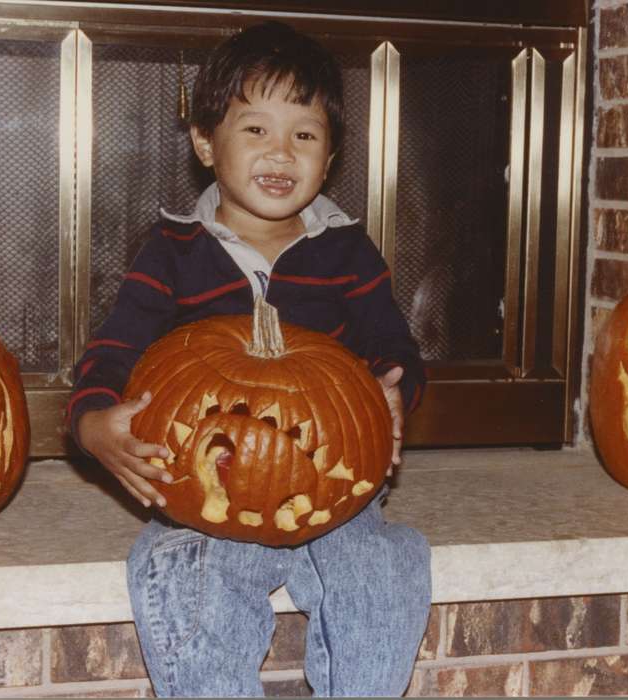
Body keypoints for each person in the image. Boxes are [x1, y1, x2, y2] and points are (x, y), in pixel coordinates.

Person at [68, 21, 430, 697]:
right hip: (208, 486)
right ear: (207, 143)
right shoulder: (172, 251)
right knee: (188, 573)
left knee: (378, 572)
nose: (280, 151)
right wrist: (92, 425)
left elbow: (394, 345)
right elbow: (112, 351)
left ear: (329, 157)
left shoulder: (347, 251)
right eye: (255, 129)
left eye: (304, 133)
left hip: (335, 481)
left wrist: (391, 392)